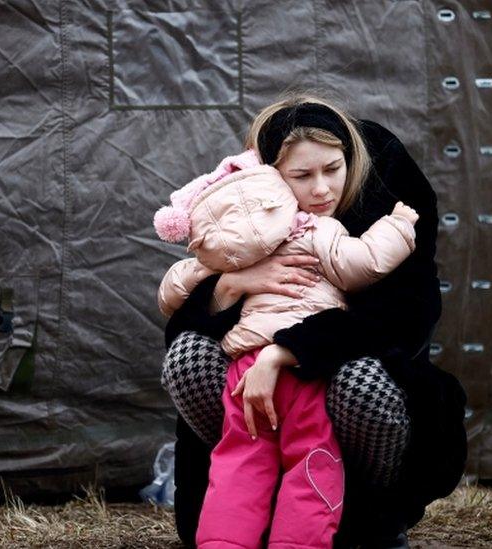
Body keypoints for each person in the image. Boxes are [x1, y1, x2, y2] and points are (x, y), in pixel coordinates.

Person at [160, 94, 468, 548]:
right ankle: (241, 523)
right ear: (272, 178)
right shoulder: (253, 215)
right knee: (188, 358)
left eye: (332, 171)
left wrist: (287, 351)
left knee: (360, 386)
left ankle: (371, 523)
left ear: (349, 162)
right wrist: (233, 284)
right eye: (302, 176)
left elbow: (406, 314)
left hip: (340, 366)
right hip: (250, 381)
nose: (321, 188)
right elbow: (178, 311)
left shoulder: (377, 197)